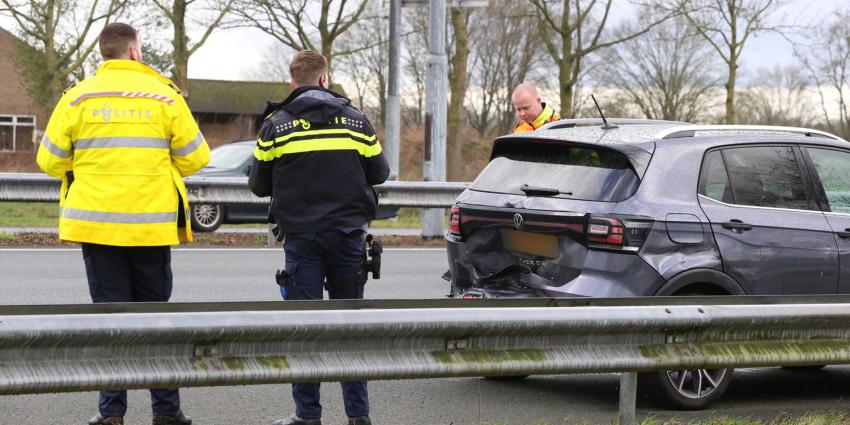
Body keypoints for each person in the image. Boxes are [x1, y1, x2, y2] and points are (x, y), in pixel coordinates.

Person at [36, 22, 209, 425]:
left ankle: (112, 414)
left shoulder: (77, 97)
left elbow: (49, 161)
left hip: (97, 228)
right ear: (134, 51)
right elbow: (196, 158)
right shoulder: (165, 96)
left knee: (111, 323)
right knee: (155, 323)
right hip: (151, 228)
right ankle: (166, 411)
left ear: (104, 52)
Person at [249, 50, 389, 425]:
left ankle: (307, 416)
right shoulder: (356, 121)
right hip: (347, 236)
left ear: (293, 82)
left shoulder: (275, 125)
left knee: (305, 328)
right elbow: (380, 173)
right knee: (349, 328)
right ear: (325, 79)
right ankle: (358, 416)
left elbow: (258, 185)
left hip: (302, 238)